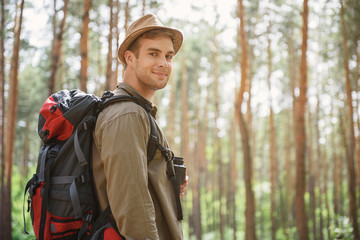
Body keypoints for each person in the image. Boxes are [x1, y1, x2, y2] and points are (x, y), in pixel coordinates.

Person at [92, 14, 188, 240]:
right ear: (130, 58)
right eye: (153, 53)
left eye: (169, 56)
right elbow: (132, 210)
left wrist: (168, 179)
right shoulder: (127, 115)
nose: (164, 63)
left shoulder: (138, 111)